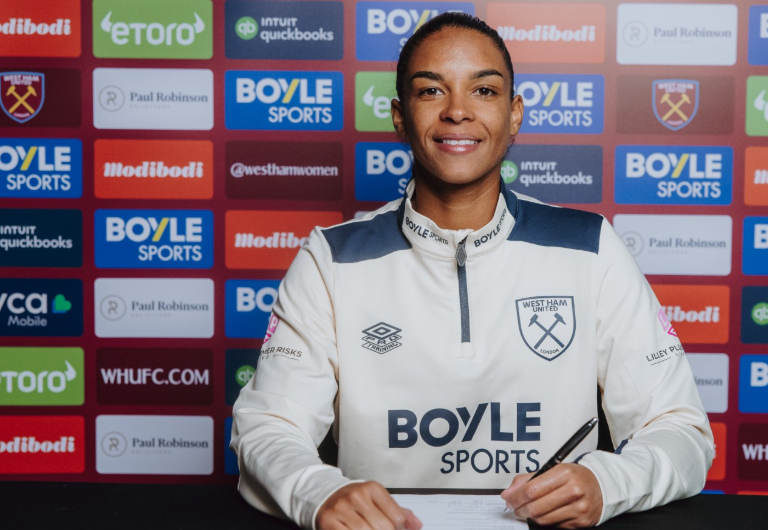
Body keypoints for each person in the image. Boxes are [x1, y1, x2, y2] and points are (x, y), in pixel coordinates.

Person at [230, 13, 713, 530]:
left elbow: (680, 429)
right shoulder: (332, 257)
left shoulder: (589, 247)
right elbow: (268, 426)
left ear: (514, 115)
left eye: (483, 90)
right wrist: (318, 493)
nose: (458, 112)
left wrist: (607, 483)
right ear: (399, 116)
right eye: (431, 91)